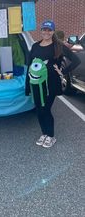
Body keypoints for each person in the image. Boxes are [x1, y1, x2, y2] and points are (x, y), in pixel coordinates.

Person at [26, 20, 80, 148]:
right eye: (44, 29)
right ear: (41, 31)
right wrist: (28, 84)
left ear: (53, 31)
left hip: (51, 84)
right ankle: (44, 133)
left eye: (49, 30)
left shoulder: (58, 46)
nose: (46, 32)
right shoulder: (35, 46)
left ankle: (50, 136)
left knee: (45, 109)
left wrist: (62, 71)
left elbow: (76, 60)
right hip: (36, 83)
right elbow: (30, 65)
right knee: (39, 110)